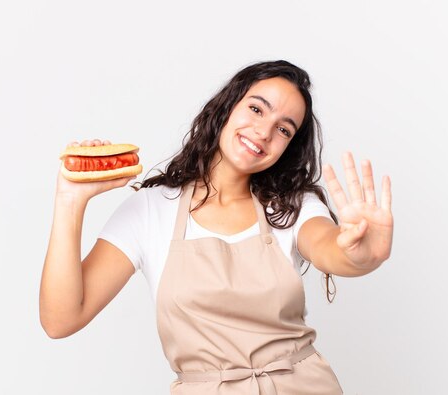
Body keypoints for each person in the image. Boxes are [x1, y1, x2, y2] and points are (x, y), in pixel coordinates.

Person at [40, 60, 394, 394]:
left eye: (284, 129)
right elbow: (61, 320)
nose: (264, 131)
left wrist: (362, 255)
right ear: (226, 107)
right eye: (256, 109)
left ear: (288, 146)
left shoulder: (292, 206)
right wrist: (70, 201)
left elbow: (332, 248)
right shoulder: (151, 209)